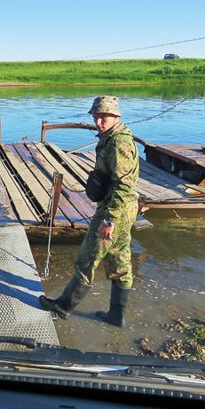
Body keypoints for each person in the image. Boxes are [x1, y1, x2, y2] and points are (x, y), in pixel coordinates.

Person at [39, 96, 140, 327]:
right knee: (120, 260)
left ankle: (64, 307)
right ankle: (116, 317)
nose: (99, 121)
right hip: (122, 207)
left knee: (88, 257)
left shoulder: (118, 143)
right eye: (96, 116)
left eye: (104, 117)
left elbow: (125, 184)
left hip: (116, 209)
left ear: (116, 117)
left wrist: (109, 219)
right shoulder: (112, 137)